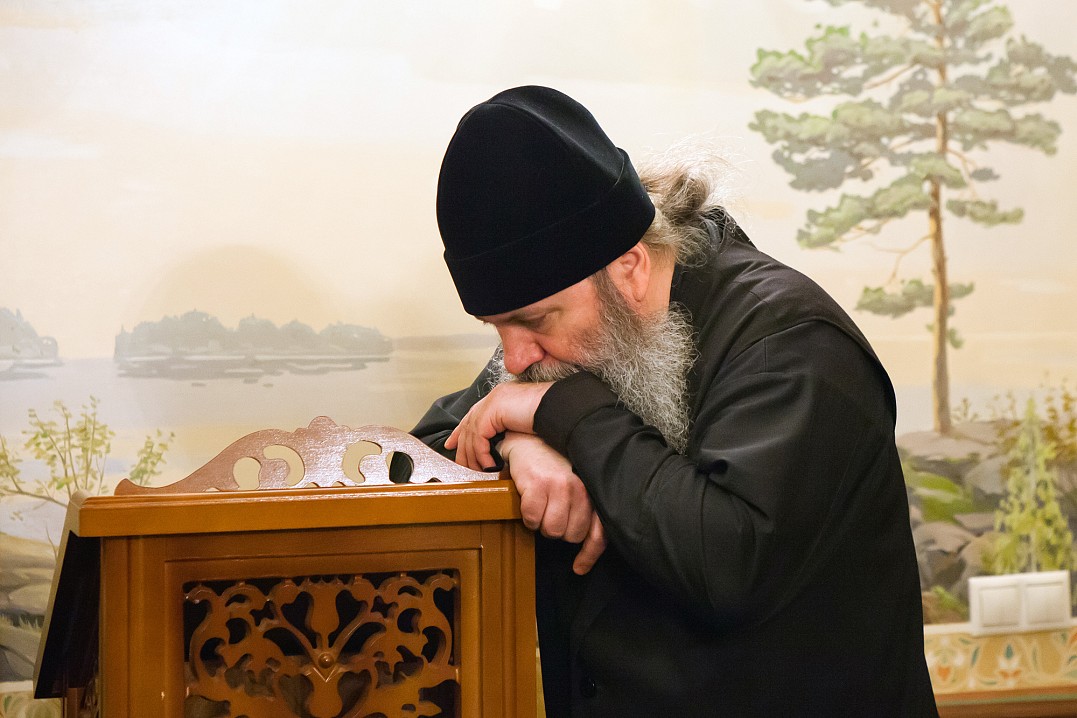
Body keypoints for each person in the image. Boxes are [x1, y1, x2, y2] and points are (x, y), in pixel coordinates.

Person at [411, 85, 938, 716]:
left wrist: (562, 415)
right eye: (497, 329)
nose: (515, 359)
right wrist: (521, 445)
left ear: (630, 268)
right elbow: (426, 450)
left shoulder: (791, 344)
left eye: (533, 321)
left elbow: (729, 564)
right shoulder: (562, 341)